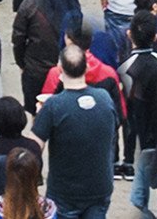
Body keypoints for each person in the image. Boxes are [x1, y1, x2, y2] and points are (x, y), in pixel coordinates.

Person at [30, 48, 119, 219]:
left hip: (64, 191)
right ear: (86, 69)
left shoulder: (53, 106)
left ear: (60, 70)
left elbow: (34, 149)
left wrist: (39, 117)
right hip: (99, 187)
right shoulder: (105, 98)